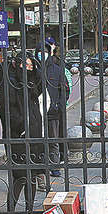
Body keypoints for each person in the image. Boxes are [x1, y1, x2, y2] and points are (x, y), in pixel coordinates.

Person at [0, 52, 46, 210]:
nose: (28, 69)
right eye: (24, 65)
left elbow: (40, 85)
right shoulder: (10, 82)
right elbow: (6, 110)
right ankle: (11, 211)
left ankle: (29, 210)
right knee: (20, 176)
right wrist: (23, 127)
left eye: (30, 65)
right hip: (18, 136)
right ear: (16, 64)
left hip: (35, 134)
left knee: (33, 175)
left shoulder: (31, 83)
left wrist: (36, 70)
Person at [42, 38, 69, 174]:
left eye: (45, 52)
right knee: (39, 141)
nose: (42, 55)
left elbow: (65, 89)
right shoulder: (32, 70)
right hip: (36, 113)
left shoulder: (57, 70)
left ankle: (54, 166)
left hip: (53, 111)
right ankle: (40, 167)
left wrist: (59, 104)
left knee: (53, 141)